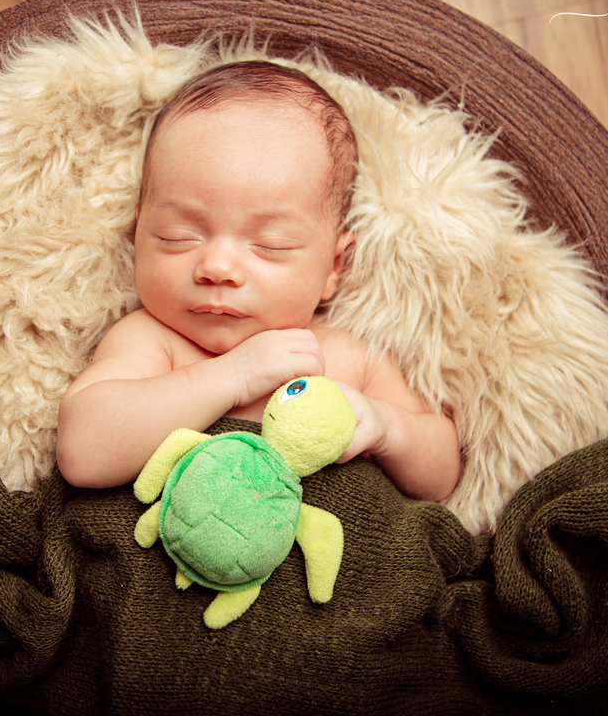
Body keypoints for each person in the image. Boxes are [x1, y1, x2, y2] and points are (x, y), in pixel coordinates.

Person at [55, 61, 459, 501]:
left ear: (333, 267)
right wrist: (233, 377)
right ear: (138, 233)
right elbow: (82, 454)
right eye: (177, 236)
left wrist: (387, 427)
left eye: (271, 244)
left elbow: (441, 477)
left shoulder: (352, 356)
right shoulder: (152, 340)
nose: (217, 267)